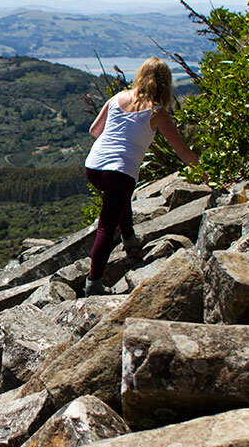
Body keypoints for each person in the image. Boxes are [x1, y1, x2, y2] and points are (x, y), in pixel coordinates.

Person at [83, 57, 199, 296]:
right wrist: (207, 175)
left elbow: (95, 130)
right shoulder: (157, 113)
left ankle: (130, 241)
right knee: (106, 227)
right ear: (165, 84)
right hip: (120, 171)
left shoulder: (118, 98)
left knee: (118, 198)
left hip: (93, 166)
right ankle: (93, 283)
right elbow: (182, 151)